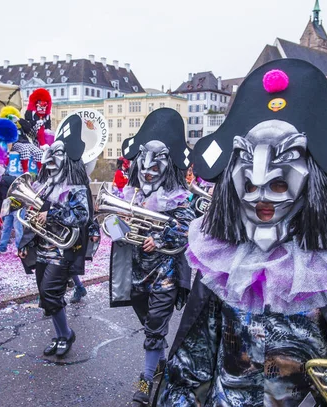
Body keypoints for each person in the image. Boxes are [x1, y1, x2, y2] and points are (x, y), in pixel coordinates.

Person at [155, 59, 327, 406]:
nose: (261, 197)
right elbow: (194, 361)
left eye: (277, 183)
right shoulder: (221, 257)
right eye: (250, 184)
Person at [110, 108, 195, 405]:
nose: (148, 171)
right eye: (144, 166)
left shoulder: (179, 197)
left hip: (165, 273)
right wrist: (114, 223)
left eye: (155, 165)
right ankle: (160, 361)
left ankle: (146, 379)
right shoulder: (130, 195)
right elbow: (116, 226)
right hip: (134, 272)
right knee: (149, 323)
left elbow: (187, 227)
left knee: (156, 323)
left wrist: (158, 238)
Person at [18, 114, 93, 358]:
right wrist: (24, 242)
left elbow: (81, 216)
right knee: (47, 295)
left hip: (63, 250)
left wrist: (51, 215)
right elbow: (33, 217)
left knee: (51, 292)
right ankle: (62, 334)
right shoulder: (44, 185)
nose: (51, 160)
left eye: (57, 156)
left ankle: (66, 334)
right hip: (42, 248)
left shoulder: (76, 186)